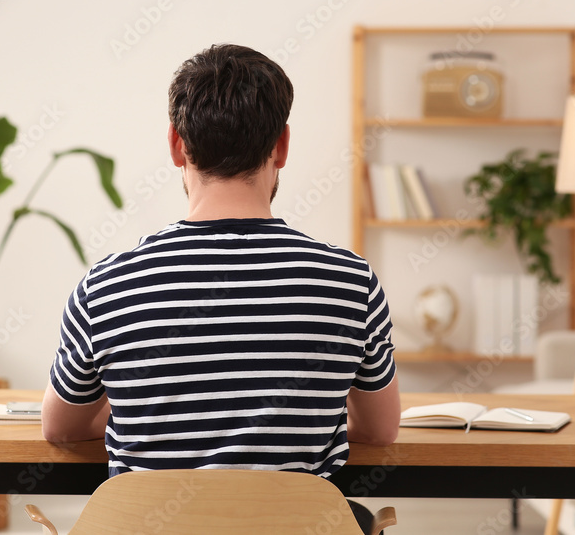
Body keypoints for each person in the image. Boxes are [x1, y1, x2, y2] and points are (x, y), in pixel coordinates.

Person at [42, 43, 399, 490]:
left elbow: (61, 429)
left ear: (176, 144)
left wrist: (134, 413)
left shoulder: (106, 287)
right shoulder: (351, 282)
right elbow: (380, 431)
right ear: (282, 145)